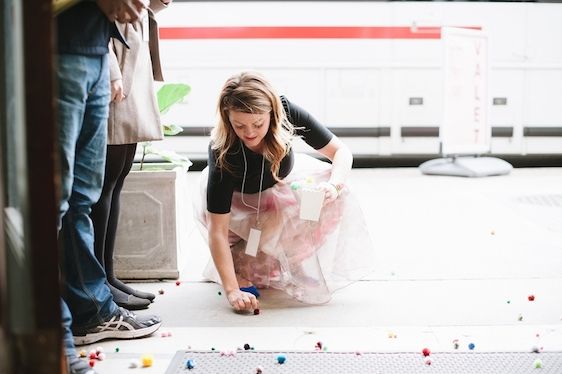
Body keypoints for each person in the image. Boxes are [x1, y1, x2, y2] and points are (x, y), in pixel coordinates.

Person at [194, 72, 375, 312]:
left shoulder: (286, 110)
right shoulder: (222, 151)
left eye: (258, 124)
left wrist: (334, 186)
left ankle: (294, 265)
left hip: (283, 185)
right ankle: (239, 268)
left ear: (273, 113)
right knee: (249, 248)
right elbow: (217, 230)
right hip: (241, 203)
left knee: (329, 198)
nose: (249, 133)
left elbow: (341, 152)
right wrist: (232, 291)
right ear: (228, 120)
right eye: (240, 125)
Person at [55, 1, 162, 372]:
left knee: (81, 198)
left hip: (94, 50)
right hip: (55, 52)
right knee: (53, 200)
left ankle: (90, 313)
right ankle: (59, 342)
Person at [90, 0, 171, 310]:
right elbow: (95, 13)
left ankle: (108, 276)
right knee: (105, 184)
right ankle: (99, 281)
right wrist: (110, 69)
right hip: (114, 56)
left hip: (131, 55)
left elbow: (138, 7)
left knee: (118, 178)